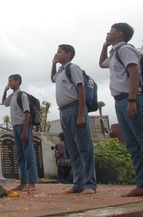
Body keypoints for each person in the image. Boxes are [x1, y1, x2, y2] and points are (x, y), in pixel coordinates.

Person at [99, 22, 143, 200]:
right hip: (120, 101)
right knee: (133, 146)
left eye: (111, 31)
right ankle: (142, 185)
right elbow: (101, 64)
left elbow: (134, 73)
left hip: (132, 99)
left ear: (120, 34)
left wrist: (132, 100)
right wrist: (104, 46)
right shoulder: (115, 52)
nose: (108, 33)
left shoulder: (125, 50)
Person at [51, 44, 97, 195]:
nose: (57, 54)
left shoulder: (73, 68)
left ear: (68, 54)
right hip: (63, 111)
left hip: (75, 107)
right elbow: (52, 79)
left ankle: (89, 184)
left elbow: (81, 89)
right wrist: (52, 64)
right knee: (72, 149)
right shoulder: (60, 71)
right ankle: (78, 183)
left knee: (84, 147)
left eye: (60, 52)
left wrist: (80, 114)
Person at [1, 74, 39, 192]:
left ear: (17, 81)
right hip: (15, 126)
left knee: (28, 154)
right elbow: (4, 103)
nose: (9, 83)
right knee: (20, 156)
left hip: (23, 126)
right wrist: (5, 91)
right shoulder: (12, 96)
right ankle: (23, 182)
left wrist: (25, 130)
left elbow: (27, 113)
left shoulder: (22, 95)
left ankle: (32, 182)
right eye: (9, 81)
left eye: (11, 81)